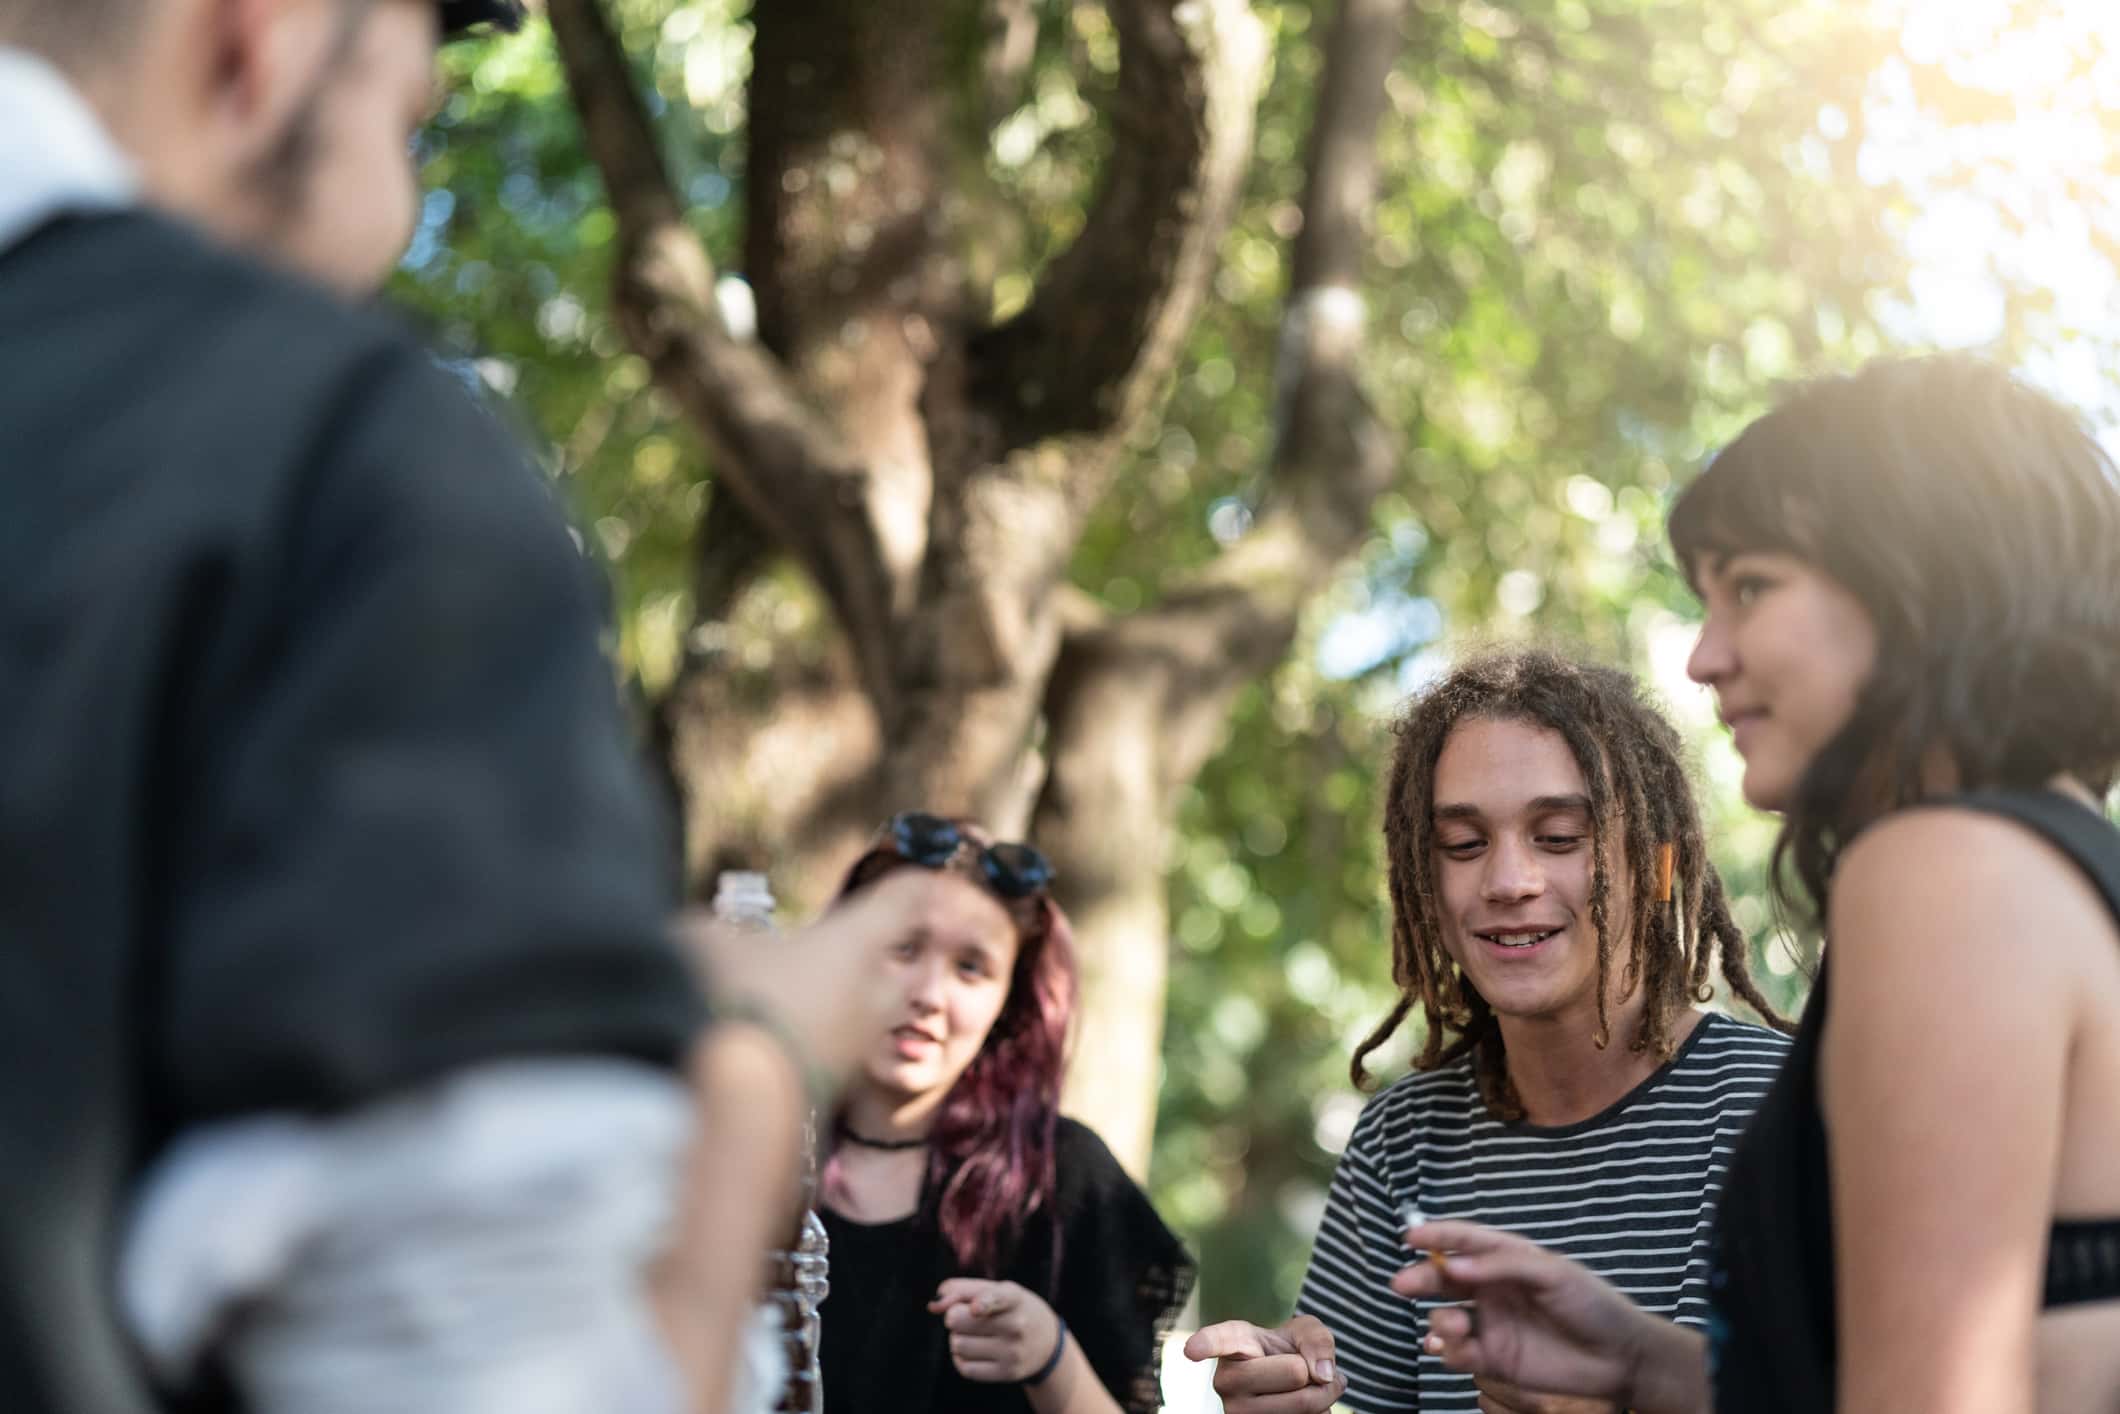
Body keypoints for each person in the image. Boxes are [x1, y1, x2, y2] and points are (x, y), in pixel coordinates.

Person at [0, 2, 947, 1409]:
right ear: (257, 39)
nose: (403, 195)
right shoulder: (330, 465)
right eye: (410, 105)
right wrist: (753, 1061)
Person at [1402, 355, 2120, 1412]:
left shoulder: (1941, 870)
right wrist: (1640, 1362)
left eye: (1749, 587)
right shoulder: (2055, 861)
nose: (1702, 656)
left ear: (1918, 577)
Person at [1186, 649, 1793, 1413]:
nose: (1509, 881)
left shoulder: (1781, 1106)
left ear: (1659, 865)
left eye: (1560, 836)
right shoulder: (1400, 1143)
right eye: (1464, 846)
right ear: (1424, 884)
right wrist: (1294, 1398)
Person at [815, 812, 1196, 1414]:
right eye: (904, 947)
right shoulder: (750, 1146)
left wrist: (1052, 1357)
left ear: (1008, 1002)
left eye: (971, 967)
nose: (929, 993)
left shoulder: (1065, 1178)